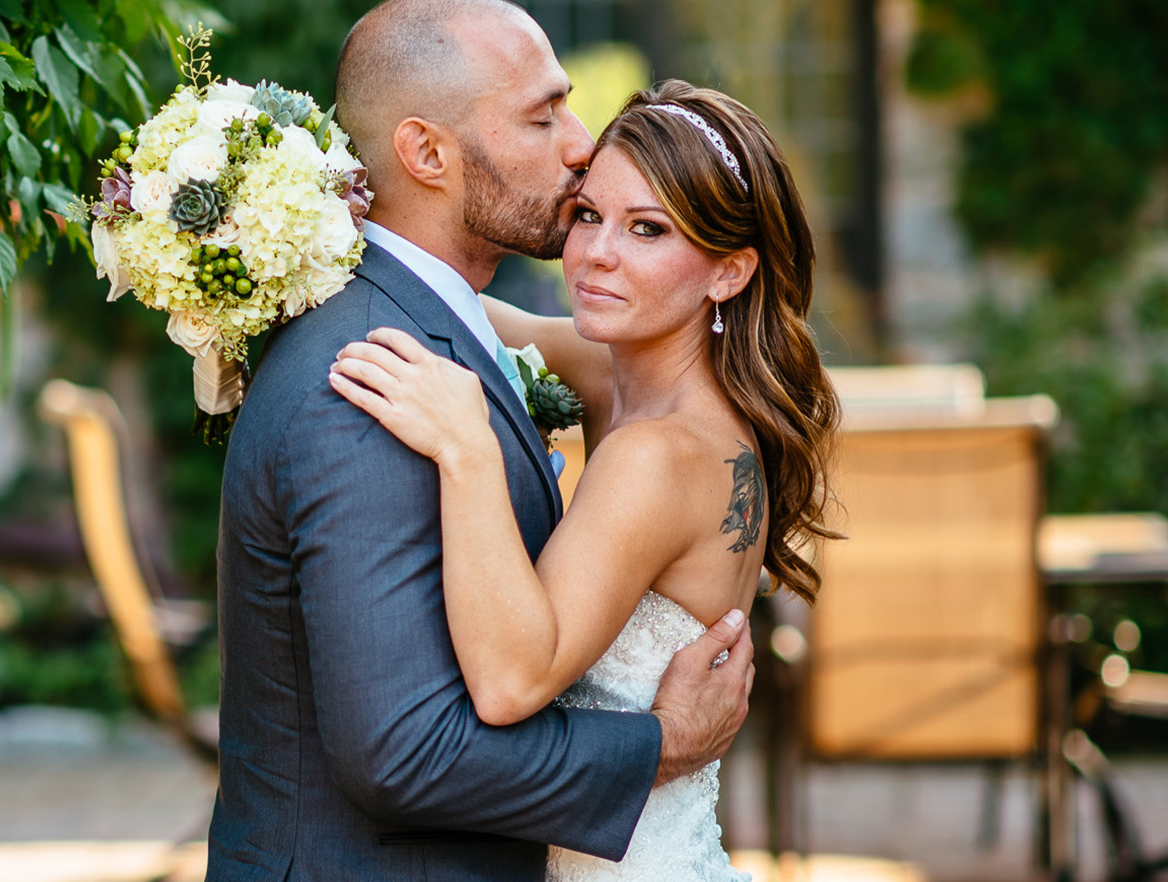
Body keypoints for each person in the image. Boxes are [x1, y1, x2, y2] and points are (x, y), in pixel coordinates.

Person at [208, 0, 757, 882]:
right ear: (425, 152)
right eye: (543, 118)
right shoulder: (372, 376)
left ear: (729, 271)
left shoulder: (442, 339)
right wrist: (658, 746)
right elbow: (405, 751)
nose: (581, 145)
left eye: (646, 228)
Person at [327, 80, 841, 880]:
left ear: (728, 273)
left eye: (647, 230)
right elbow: (452, 306)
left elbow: (510, 682)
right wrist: (299, 244)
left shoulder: (662, 453)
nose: (597, 253)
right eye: (589, 215)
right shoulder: (620, 372)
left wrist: (469, 449)